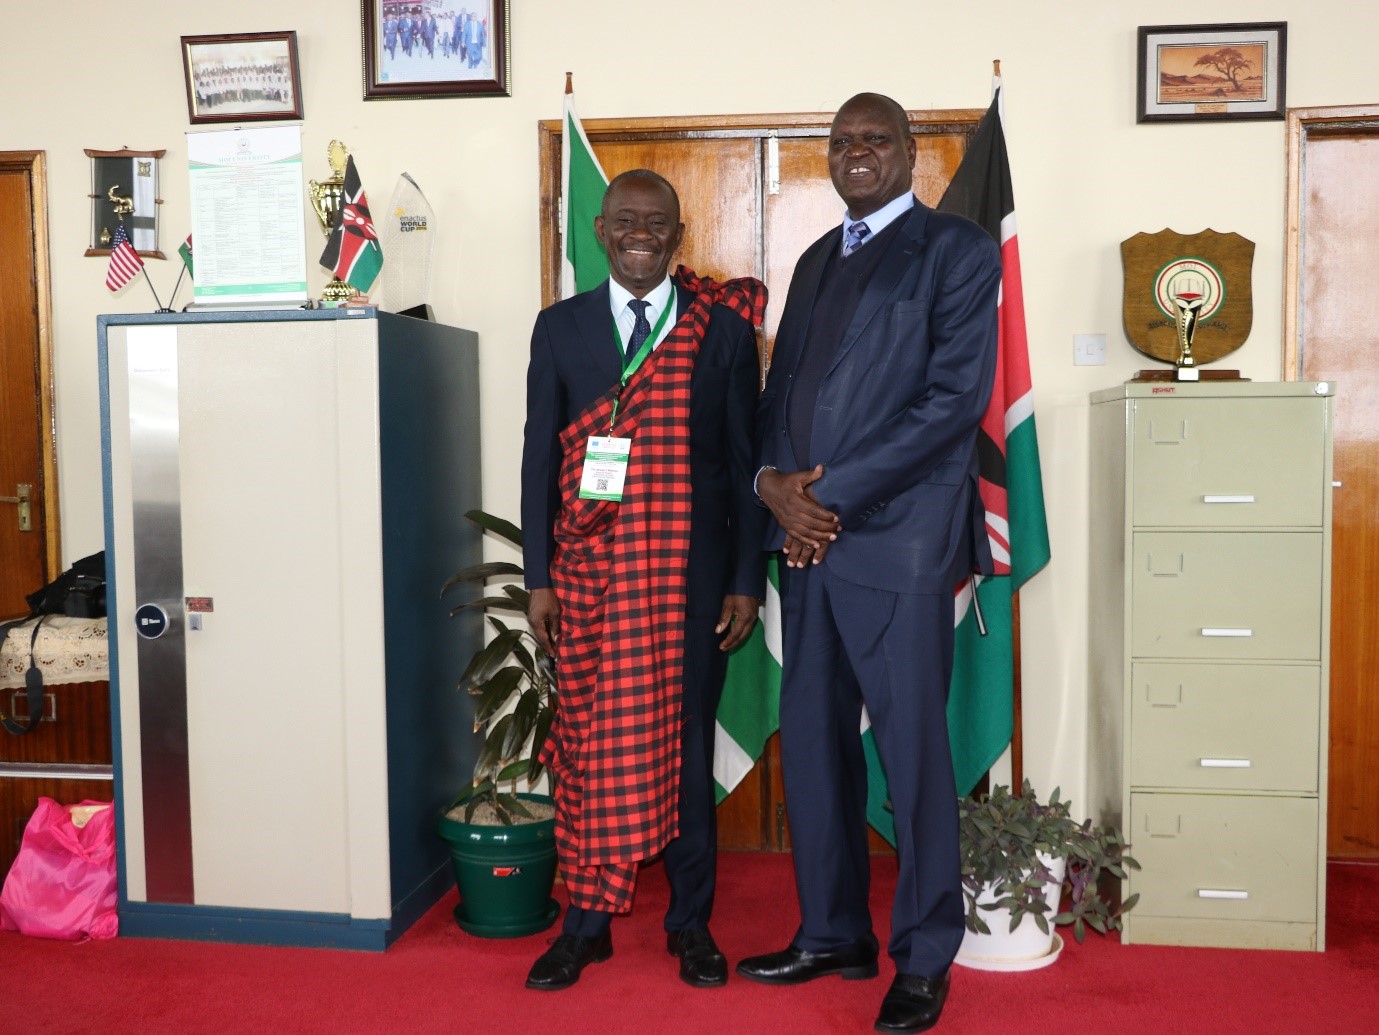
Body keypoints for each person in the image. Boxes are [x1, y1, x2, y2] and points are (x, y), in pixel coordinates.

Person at [735, 92, 1000, 1034]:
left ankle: (925, 955)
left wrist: (825, 498)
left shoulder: (957, 250)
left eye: (874, 139)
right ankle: (832, 931)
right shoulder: (814, 257)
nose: (856, 152)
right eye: (841, 141)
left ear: (910, 152)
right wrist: (771, 484)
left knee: (912, 756)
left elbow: (950, 403)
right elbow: (781, 393)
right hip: (804, 545)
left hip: (898, 543)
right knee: (811, 745)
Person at [520, 169, 767, 992]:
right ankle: (585, 925)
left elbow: (741, 464)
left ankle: (689, 922)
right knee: (590, 739)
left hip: (690, 580)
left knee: (686, 744)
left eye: (655, 222)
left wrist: (744, 579)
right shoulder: (560, 327)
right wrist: (538, 577)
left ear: (677, 234)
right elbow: (538, 457)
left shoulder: (719, 331)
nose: (639, 234)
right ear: (599, 231)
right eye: (624, 220)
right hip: (587, 579)